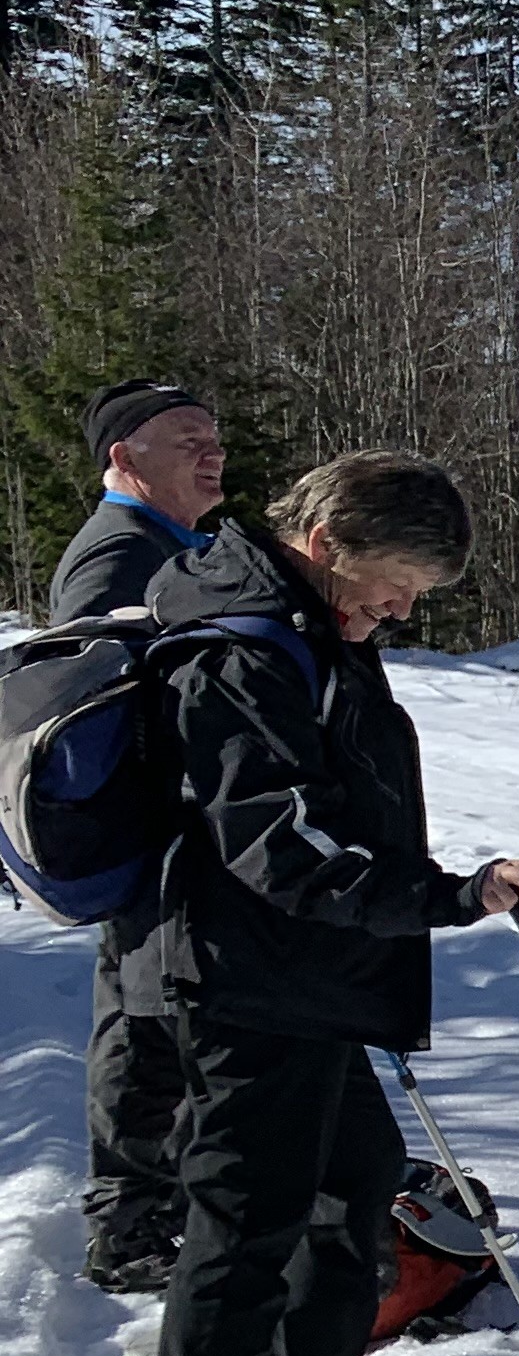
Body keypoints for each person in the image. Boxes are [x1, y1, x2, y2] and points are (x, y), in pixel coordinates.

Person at [144, 451, 519, 1356]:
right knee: (243, 1228)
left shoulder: (304, 626)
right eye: (396, 584)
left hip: (305, 981)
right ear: (326, 543)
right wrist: (447, 896)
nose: (401, 609)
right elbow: (279, 844)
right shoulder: (243, 646)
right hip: (248, 984)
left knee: (350, 1189)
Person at [49, 384, 232, 1293]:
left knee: (160, 1016)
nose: (212, 452)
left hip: (174, 829)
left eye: (214, 437)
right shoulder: (119, 554)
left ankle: (164, 1205)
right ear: (124, 458)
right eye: (185, 439)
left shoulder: (170, 545)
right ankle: (129, 1224)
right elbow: (81, 703)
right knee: (142, 1021)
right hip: (147, 835)